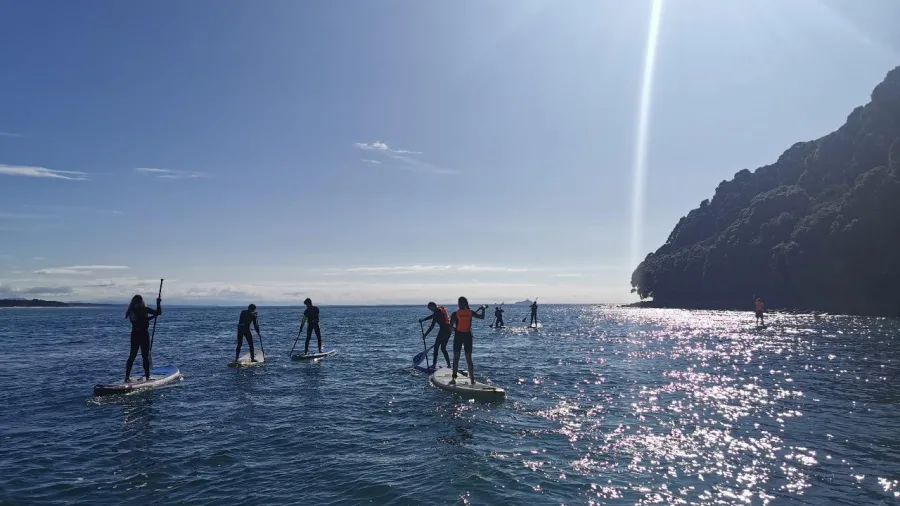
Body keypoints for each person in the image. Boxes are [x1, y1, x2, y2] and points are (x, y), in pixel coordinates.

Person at [124, 294, 162, 382]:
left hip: (135, 335)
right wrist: (158, 303)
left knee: (132, 356)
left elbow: (140, 320)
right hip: (143, 334)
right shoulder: (143, 309)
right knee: (144, 356)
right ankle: (147, 377)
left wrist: (156, 308)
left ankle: (127, 377)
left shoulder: (131, 310)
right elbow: (158, 313)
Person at [449, 296, 486, 384]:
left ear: (459, 304)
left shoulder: (455, 314)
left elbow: (450, 328)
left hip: (458, 336)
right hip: (468, 336)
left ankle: (454, 379)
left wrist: (454, 329)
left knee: (456, 359)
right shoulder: (470, 312)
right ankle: (472, 380)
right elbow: (482, 317)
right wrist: (483, 309)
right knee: (469, 359)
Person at [419, 302, 452, 369]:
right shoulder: (440, 310)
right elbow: (433, 316)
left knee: (436, 347)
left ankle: (434, 364)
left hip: (443, 331)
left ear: (433, 306)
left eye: (430, 308)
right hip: (449, 331)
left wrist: (425, 335)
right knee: (443, 348)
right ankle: (449, 365)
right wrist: (424, 319)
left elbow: (432, 326)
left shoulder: (437, 314)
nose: (430, 310)